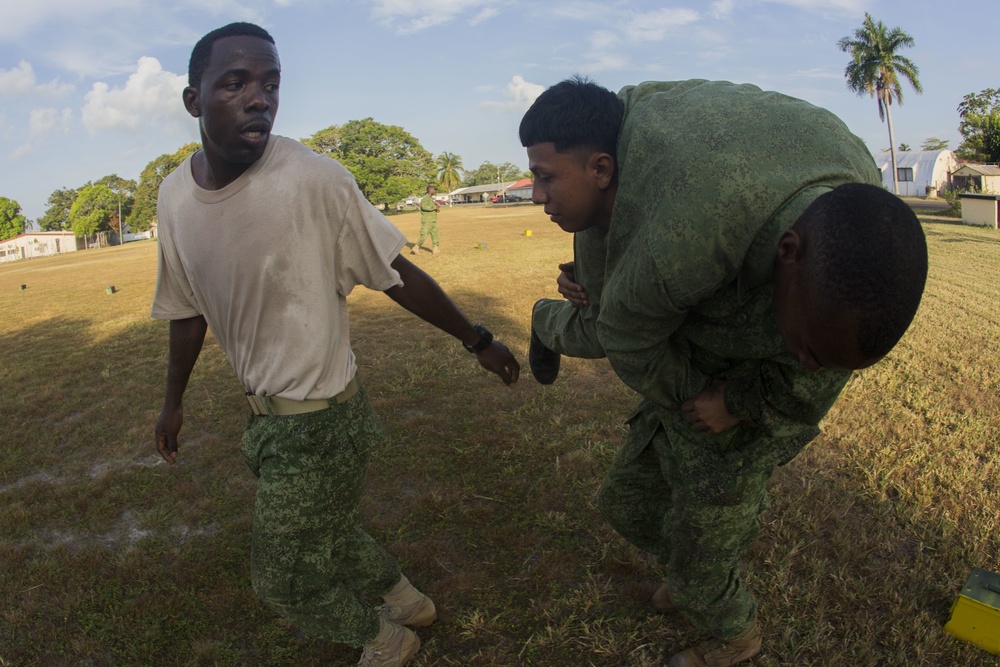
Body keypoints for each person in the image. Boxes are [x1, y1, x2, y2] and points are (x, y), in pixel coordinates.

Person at [519, 77, 927, 667]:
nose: (812, 366)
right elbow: (628, 340)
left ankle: (729, 628)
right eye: (805, 348)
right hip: (689, 341)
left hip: (742, 390)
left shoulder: (857, 210)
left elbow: (818, 367)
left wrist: (739, 402)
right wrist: (699, 397)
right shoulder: (680, 243)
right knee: (627, 501)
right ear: (786, 254)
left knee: (702, 551)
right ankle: (697, 575)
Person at [151, 22, 519, 667]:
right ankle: (407, 603)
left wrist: (476, 338)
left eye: (270, 83)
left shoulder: (313, 179)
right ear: (193, 100)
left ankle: (387, 642)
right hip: (263, 417)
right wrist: (172, 401)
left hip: (324, 418)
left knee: (282, 576)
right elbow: (187, 310)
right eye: (235, 83)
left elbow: (394, 270)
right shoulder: (174, 196)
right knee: (325, 528)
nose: (258, 98)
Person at [411, 184, 440, 254]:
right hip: (427, 220)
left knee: (435, 234)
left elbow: (430, 208)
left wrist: (436, 210)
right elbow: (424, 207)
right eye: (434, 190)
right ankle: (416, 247)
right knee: (424, 234)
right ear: (430, 190)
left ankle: (435, 248)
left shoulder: (430, 199)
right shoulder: (425, 199)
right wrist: (434, 208)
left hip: (433, 220)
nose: (435, 191)